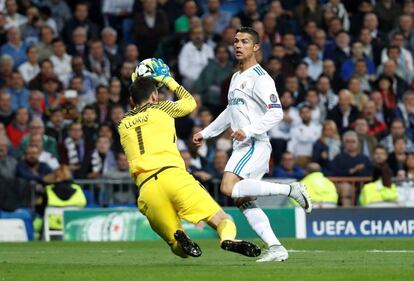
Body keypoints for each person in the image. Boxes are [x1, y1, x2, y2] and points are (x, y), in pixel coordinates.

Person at [119, 59, 261, 259]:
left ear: (132, 101)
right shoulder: (162, 108)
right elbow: (190, 103)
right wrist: (169, 80)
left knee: (177, 246)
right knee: (222, 219)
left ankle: (180, 236)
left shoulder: (123, 123)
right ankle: (228, 239)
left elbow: (138, 108)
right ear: (154, 95)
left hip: (146, 188)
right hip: (174, 176)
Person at [193, 27, 312, 262]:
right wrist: (207, 132)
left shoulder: (261, 78)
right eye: (236, 41)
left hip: (255, 143)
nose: (238, 45)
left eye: (244, 42)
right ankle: (276, 247)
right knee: (242, 199)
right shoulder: (237, 77)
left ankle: (291, 189)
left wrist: (248, 130)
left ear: (256, 47)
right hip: (243, 146)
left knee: (228, 187)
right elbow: (230, 111)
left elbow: (276, 114)